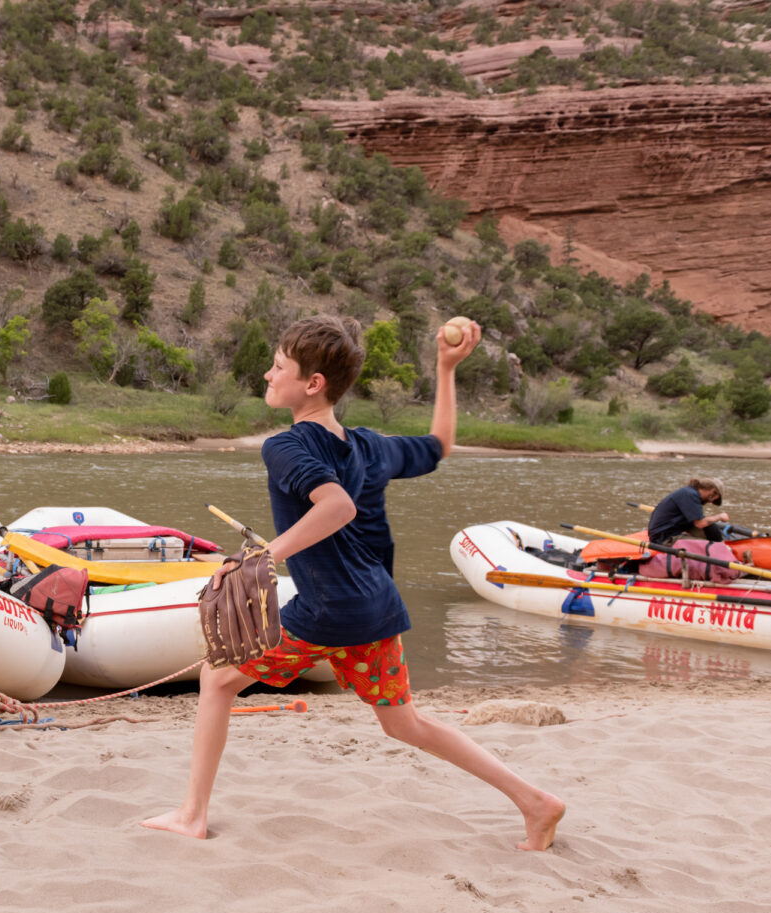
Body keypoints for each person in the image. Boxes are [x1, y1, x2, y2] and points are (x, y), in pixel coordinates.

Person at [141, 315, 564, 851]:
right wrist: (445, 367)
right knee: (404, 724)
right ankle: (535, 802)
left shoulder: (286, 447)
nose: (267, 375)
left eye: (277, 367)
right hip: (376, 607)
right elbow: (439, 445)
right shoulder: (369, 446)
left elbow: (336, 506)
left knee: (217, 679)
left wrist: (263, 557)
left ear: (312, 383)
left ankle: (191, 814)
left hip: (329, 612)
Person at [646, 477, 727, 545]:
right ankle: (718, 549)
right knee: (704, 546)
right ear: (712, 492)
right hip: (662, 538)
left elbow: (702, 523)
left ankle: (720, 546)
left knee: (710, 527)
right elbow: (699, 523)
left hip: (671, 531)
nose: (710, 502)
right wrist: (720, 516)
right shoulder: (690, 495)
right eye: (713, 499)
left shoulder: (690, 493)